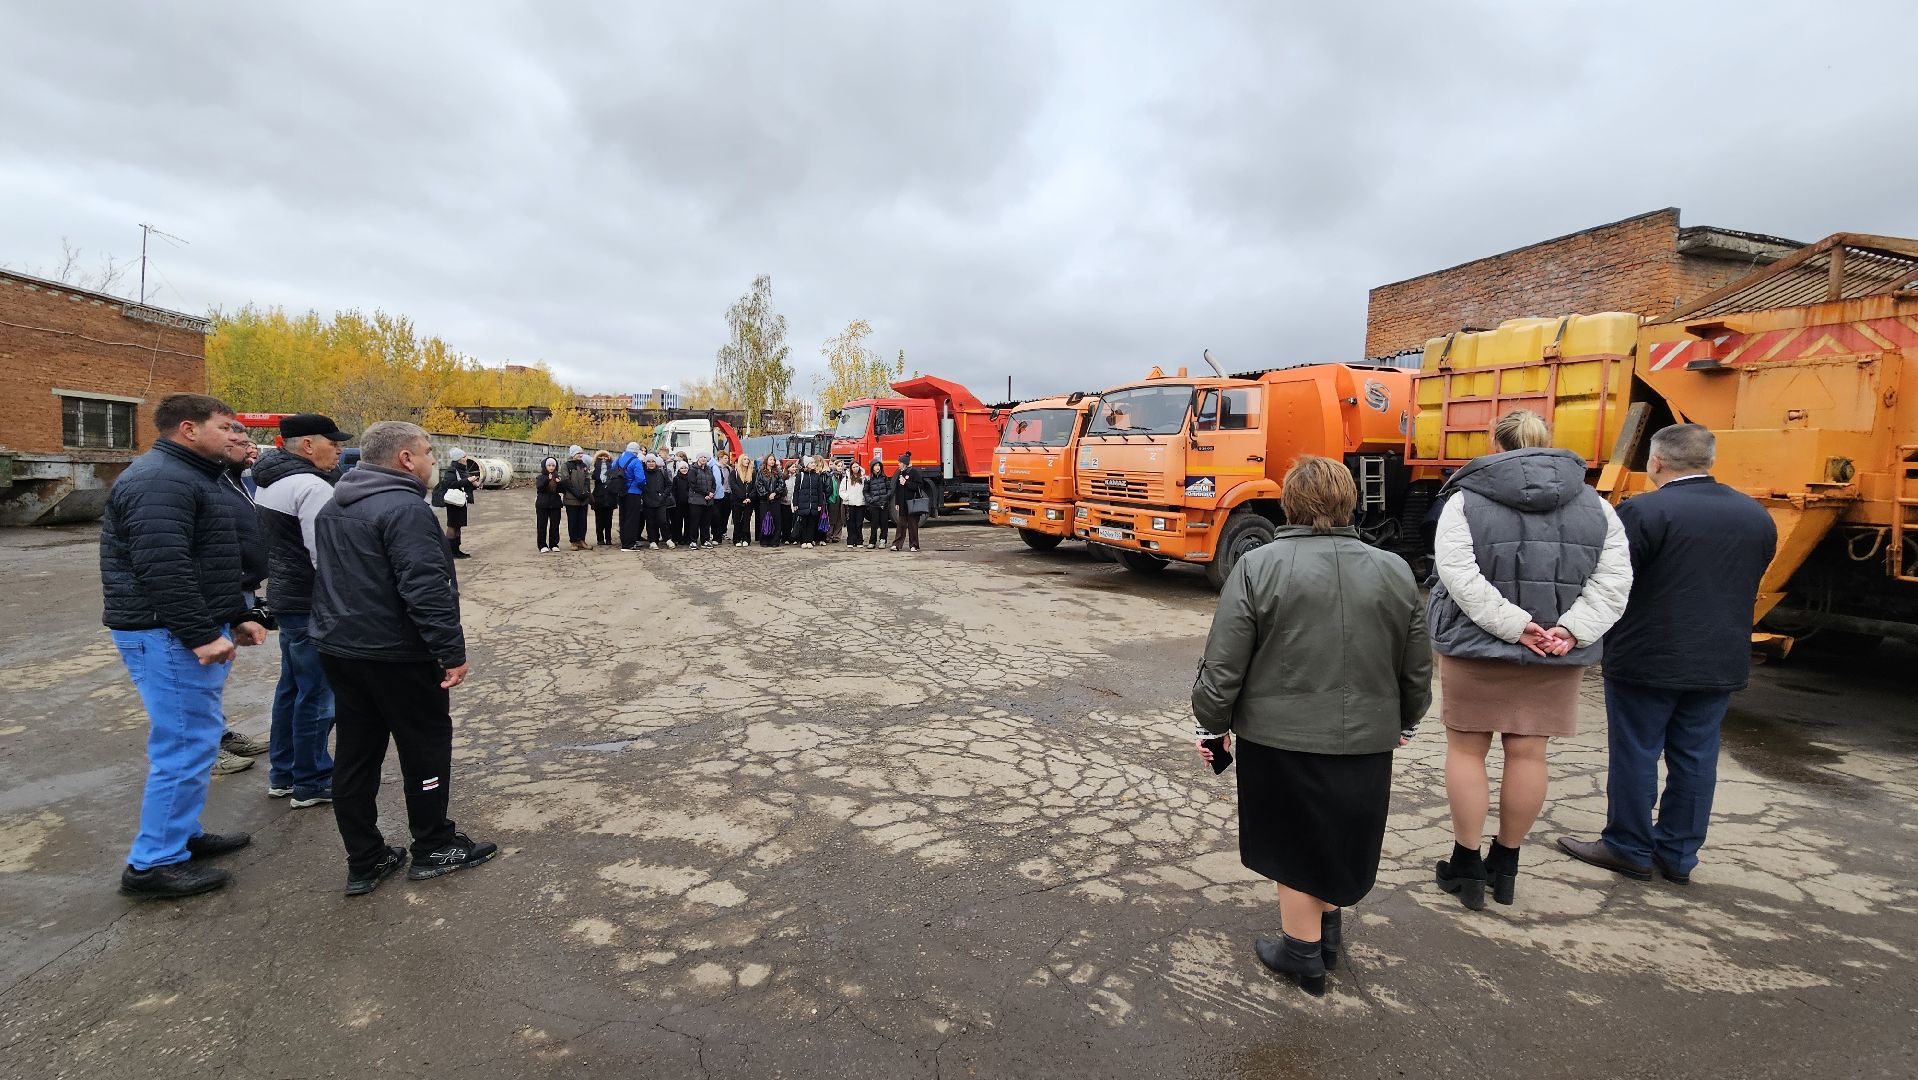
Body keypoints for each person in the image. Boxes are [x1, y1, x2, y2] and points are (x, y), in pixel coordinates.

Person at [1192, 456, 1431, 996]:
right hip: (1368, 734)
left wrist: (1212, 725)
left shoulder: (1257, 566)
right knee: (1340, 833)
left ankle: (1302, 953)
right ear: (1349, 501)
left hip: (1280, 736)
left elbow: (1225, 661)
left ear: (1289, 503)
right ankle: (1325, 932)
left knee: (1293, 839)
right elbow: (1416, 662)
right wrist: (1409, 719)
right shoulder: (1393, 568)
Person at [1428, 410, 1632, 910]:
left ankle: (1467, 864)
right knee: (1528, 754)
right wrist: (1569, 630)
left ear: (1497, 447)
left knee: (1467, 752)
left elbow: (1458, 575)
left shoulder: (1466, 501)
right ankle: (1508, 864)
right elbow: (1614, 581)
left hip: (1477, 645)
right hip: (1555, 653)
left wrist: (1514, 625)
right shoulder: (1598, 506)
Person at [1558, 424, 1777, 884]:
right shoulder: (1755, 515)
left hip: (1648, 656)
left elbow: (1613, 579)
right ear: (1709, 460)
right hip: (1719, 657)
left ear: (1656, 462)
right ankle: (1678, 854)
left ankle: (1628, 846)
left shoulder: (1643, 511)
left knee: (1637, 752)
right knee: (1697, 756)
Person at [310, 421, 495, 897]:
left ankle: (365, 858)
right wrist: (449, 650)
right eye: (427, 451)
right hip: (394, 652)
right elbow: (425, 587)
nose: (433, 459)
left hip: (341, 647)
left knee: (356, 751)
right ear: (405, 459)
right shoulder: (404, 508)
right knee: (424, 745)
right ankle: (434, 845)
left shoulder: (337, 501)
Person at [101, 393, 270, 899]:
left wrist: (235, 614)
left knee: (194, 741)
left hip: (181, 626)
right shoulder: (160, 480)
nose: (236, 435)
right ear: (189, 429)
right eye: (226, 427)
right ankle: (153, 864)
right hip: (165, 632)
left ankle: (180, 835)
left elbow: (207, 560)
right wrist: (200, 634)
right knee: (183, 745)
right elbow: (164, 568)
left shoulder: (195, 475)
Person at [253, 413, 352, 809]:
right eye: (333, 441)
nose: (340, 448)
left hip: (287, 599)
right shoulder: (311, 487)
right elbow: (324, 555)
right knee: (320, 693)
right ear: (308, 445)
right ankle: (312, 780)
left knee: (292, 688)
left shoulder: (271, 480)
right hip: (312, 602)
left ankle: (285, 773)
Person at [431, 448, 476, 559]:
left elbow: (463, 484)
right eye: (464, 457)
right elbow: (449, 484)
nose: (466, 459)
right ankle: (450, 552)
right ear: (458, 459)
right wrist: (468, 481)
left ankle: (456, 550)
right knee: (452, 526)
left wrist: (473, 484)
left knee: (457, 526)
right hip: (454, 502)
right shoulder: (452, 470)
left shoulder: (462, 470)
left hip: (461, 501)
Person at [891, 452, 931, 552]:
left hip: (912, 503)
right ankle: (897, 544)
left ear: (904, 463)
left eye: (900, 463)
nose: (898, 465)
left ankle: (914, 545)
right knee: (901, 524)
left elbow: (919, 486)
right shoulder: (900, 473)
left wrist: (906, 483)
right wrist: (897, 503)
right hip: (903, 504)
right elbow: (897, 490)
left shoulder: (914, 472)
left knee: (913, 525)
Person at [613, 441, 647, 550]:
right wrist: (643, 489)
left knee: (623, 517)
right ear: (636, 451)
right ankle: (629, 544)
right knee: (632, 518)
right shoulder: (636, 461)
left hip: (621, 491)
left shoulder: (618, 459)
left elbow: (612, 470)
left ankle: (624, 541)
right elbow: (640, 479)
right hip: (633, 493)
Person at [560, 445, 593, 550]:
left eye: (581, 453)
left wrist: (585, 492)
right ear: (573, 454)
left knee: (583, 521)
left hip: (583, 500)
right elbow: (566, 482)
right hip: (571, 499)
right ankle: (574, 541)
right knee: (573, 521)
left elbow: (587, 479)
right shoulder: (566, 466)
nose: (580, 455)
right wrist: (576, 494)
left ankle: (581, 540)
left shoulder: (583, 465)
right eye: (578, 453)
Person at [791, 456, 828, 548]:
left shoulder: (817, 476)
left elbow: (820, 491)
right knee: (803, 522)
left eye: (814, 463)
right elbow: (796, 490)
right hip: (803, 503)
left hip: (814, 503)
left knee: (812, 523)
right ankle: (803, 541)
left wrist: (820, 504)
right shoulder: (801, 475)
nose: (814, 464)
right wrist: (795, 503)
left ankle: (809, 540)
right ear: (807, 465)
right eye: (811, 463)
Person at [590, 449, 622, 548]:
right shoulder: (596, 467)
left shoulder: (612, 467)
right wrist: (599, 466)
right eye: (601, 457)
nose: (603, 459)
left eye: (605, 457)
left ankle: (608, 538)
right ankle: (600, 539)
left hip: (610, 496)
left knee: (608, 520)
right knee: (599, 520)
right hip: (599, 496)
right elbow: (595, 477)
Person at [755, 456, 786, 548]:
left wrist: (775, 493)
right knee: (764, 520)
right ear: (766, 461)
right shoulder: (761, 472)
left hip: (775, 500)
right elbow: (758, 484)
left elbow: (781, 484)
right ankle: (764, 539)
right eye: (771, 459)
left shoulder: (778, 472)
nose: (772, 461)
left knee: (776, 520)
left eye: (773, 460)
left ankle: (775, 540)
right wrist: (767, 494)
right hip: (764, 500)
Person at [534, 456, 563, 553]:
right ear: (545, 466)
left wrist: (560, 483)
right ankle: (542, 545)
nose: (551, 467)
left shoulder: (557, 477)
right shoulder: (541, 477)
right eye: (549, 465)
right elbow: (540, 488)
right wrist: (547, 480)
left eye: (553, 465)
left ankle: (554, 544)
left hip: (555, 504)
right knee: (542, 525)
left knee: (555, 525)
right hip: (542, 504)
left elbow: (562, 490)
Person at [642, 453, 671, 549]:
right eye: (649, 461)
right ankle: (653, 540)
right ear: (645, 463)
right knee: (650, 522)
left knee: (663, 521)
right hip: (648, 501)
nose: (651, 463)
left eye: (653, 461)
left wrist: (663, 496)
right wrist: (644, 497)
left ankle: (667, 539)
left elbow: (669, 485)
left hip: (661, 502)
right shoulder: (643, 473)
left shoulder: (661, 472)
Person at [864, 457, 893, 549]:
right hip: (874, 505)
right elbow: (865, 492)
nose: (877, 467)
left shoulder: (885, 478)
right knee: (874, 524)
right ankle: (872, 542)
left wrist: (886, 497)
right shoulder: (868, 479)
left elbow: (889, 490)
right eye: (875, 465)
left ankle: (883, 541)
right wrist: (870, 500)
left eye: (879, 465)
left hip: (883, 505)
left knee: (884, 524)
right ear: (872, 467)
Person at [688, 452, 715, 547]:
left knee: (706, 522)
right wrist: (706, 493)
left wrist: (711, 492)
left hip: (708, 500)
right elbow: (693, 485)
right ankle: (693, 541)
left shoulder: (709, 469)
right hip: (696, 500)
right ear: (698, 458)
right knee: (695, 521)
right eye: (701, 457)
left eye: (705, 457)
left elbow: (713, 483)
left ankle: (705, 540)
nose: (703, 459)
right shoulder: (692, 470)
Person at [731, 454, 757, 547]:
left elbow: (754, 487)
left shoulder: (752, 473)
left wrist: (749, 497)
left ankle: (746, 538)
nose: (747, 461)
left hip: (749, 502)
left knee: (746, 521)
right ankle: (737, 539)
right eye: (745, 459)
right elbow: (733, 486)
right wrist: (742, 497)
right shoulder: (734, 473)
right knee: (737, 520)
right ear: (741, 461)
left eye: (748, 459)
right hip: (737, 501)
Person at [709, 451, 733, 548]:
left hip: (727, 493)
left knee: (725, 514)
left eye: (727, 458)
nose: (726, 460)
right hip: (717, 495)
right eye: (724, 458)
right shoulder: (714, 468)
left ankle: (723, 532)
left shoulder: (728, 468)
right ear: (719, 458)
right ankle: (716, 535)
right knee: (716, 516)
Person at [842, 462, 867, 548]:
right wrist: (847, 497)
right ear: (851, 468)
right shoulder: (846, 478)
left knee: (859, 523)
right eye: (854, 467)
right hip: (850, 503)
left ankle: (859, 541)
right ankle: (850, 540)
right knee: (850, 523)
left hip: (861, 503)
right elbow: (841, 490)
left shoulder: (863, 478)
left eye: (857, 466)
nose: (856, 468)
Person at [825, 459, 845, 543]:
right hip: (833, 499)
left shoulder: (844, 477)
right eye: (838, 466)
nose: (840, 468)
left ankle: (837, 536)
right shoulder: (831, 476)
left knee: (840, 518)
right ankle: (829, 535)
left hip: (842, 499)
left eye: (841, 466)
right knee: (832, 518)